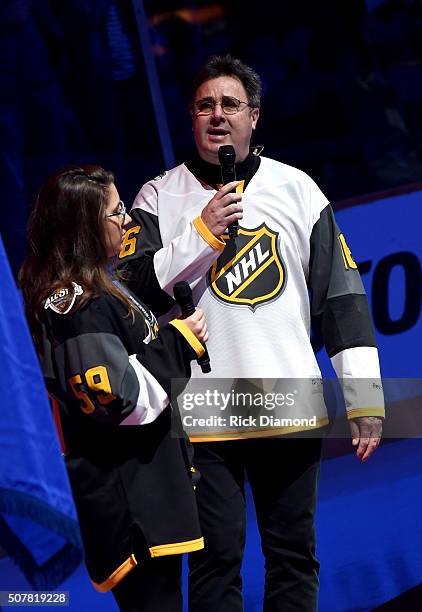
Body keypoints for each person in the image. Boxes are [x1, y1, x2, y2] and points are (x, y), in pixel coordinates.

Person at [118, 55, 385, 611]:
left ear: (255, 117)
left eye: (231, 104)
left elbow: (342, 300)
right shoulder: (157, 198)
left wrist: (365, 398)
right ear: (190, 118)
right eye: (205, 105)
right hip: (203, 409)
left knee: (293, 557)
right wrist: (200, 234)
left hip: (288, 401)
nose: (218, 115)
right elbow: (130, 291)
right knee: (215, 562)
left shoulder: (300, 190)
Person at [19, 164, 209, 612]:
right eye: (116, 211)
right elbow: (120, 400)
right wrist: (178, 341)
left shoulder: (100, 286)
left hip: (149, 491)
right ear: (85, 227)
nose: (127, 221)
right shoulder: (73, 305)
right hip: (130, 508)